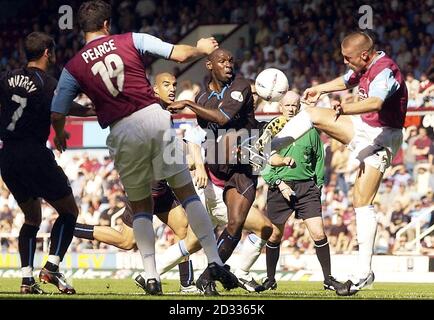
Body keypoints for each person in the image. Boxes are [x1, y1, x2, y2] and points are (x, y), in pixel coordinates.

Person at [50, 0, 238, 295]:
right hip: (156, 118)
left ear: (81, 30)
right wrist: (201, 48)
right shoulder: (131, 39)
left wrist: (60, 135)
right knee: (187, 193)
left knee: (140, 209)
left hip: (121, 132)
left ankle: (151, 276)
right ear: (106, 25)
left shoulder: (73, 67)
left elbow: (57, 113)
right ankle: (215, 261)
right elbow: (177, 52)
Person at [269, 31, 408, 293]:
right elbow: (346, 81)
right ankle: (269, 147)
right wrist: (320, 88)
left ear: (364, 55)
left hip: (383, 135)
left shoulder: (385, 70)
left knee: (361, 202)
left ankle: (364, 272)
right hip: (366, 129)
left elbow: (376, 102)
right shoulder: (364, 65)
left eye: (348, 57)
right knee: (310, 114)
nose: (345, 61)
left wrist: (343, 109)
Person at [73, 72, 199, 293]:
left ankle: (187, 285)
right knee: (127, 241)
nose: (172, 89)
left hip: (159, 185)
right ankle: (71, 228)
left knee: (183, 228)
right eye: (166, 85)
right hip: (145, 185)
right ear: (155, 90)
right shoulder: (151, 113)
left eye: (174, 85)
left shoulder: (162, 112)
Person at [168, 48, 273, 294]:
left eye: (230, 60)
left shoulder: (240, 85)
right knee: (193, 234)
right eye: (222, 61)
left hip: (243, 167)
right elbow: (204, 128)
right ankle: (218, 273)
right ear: (209, 65)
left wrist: (187, 104)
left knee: (235, 224)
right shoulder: (204, 97)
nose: (228, 64)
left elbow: (223, 118)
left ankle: (208, 276)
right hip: (217, 168)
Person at [0, 32, 94, 294]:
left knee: (32, 219)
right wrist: (92, 111)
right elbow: (62, 109)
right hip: (34, 153)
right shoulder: (48, 82)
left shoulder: (5, 78)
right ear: (46, 53)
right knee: (69, 211)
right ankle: (52, 267)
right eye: (51, 53)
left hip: (7, 156)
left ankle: (26, 280)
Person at [233, 91, 351, 295]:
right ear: (280, 107)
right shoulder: (272, 131)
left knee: (318, 233)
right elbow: (264, 161)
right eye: (287, 105)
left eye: (294, 105)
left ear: (299, 107)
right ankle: (270, 279)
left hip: (306, 187)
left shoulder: (310, 131)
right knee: (275, 235)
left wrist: (318, 186)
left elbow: (319, 160)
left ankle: (328, 279)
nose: (291, 109)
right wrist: (278, 182)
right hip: (279, 187)